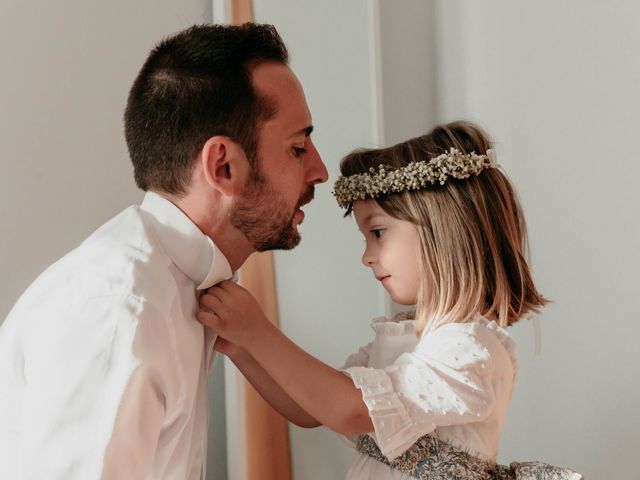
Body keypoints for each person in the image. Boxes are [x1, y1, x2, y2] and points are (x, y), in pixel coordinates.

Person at [0, 23, 327, 479]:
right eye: (298, 147)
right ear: (224, 165)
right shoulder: (121, 310)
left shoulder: (174, 285)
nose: (320, 171)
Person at [197, 121, 583, 479]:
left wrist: (260, 332)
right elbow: (314, 407)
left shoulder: (469, 350)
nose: (367, 255)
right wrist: (246, 349)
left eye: (378, 232)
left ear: (442, 232)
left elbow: (347, 410)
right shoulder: (402, 342)